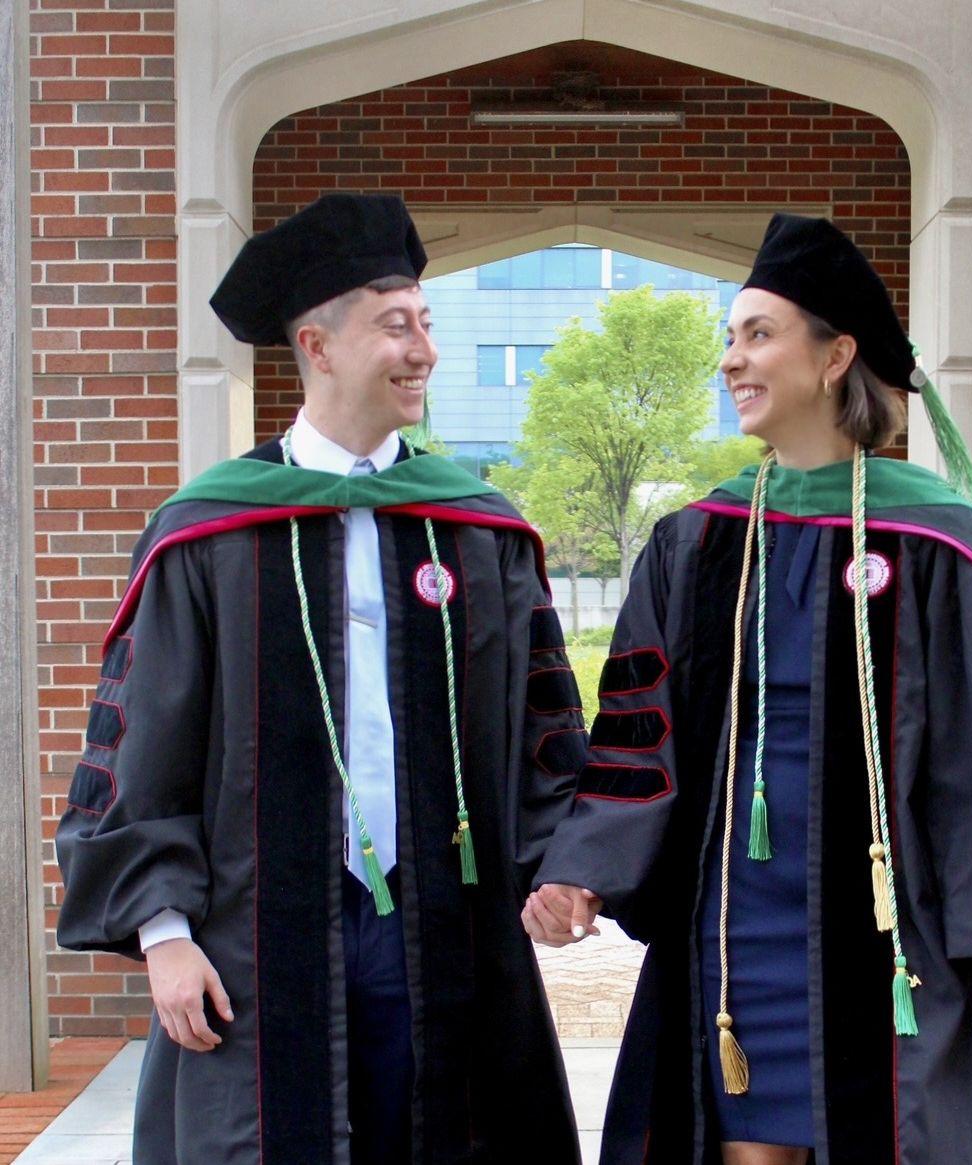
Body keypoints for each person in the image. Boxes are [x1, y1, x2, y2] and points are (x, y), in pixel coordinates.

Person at [524, 213, 972, 1165]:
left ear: (836, 355)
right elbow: (639, 735)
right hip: (737, 926)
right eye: (731, 336)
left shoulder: (933, 540)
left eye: (758, 333)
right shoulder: (698, 540)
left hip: (896, 930)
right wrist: (583, 864)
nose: (732, 359)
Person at [56, 193, 586, 1164]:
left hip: (446, 926)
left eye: (426, 321)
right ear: (317, 345)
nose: (424, 349)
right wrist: (163, 933)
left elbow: (543, 729)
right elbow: (142, 747)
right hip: (255, 940)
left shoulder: (478, 531)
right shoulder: (210, 534)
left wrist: (563, 865)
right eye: (396, 325)